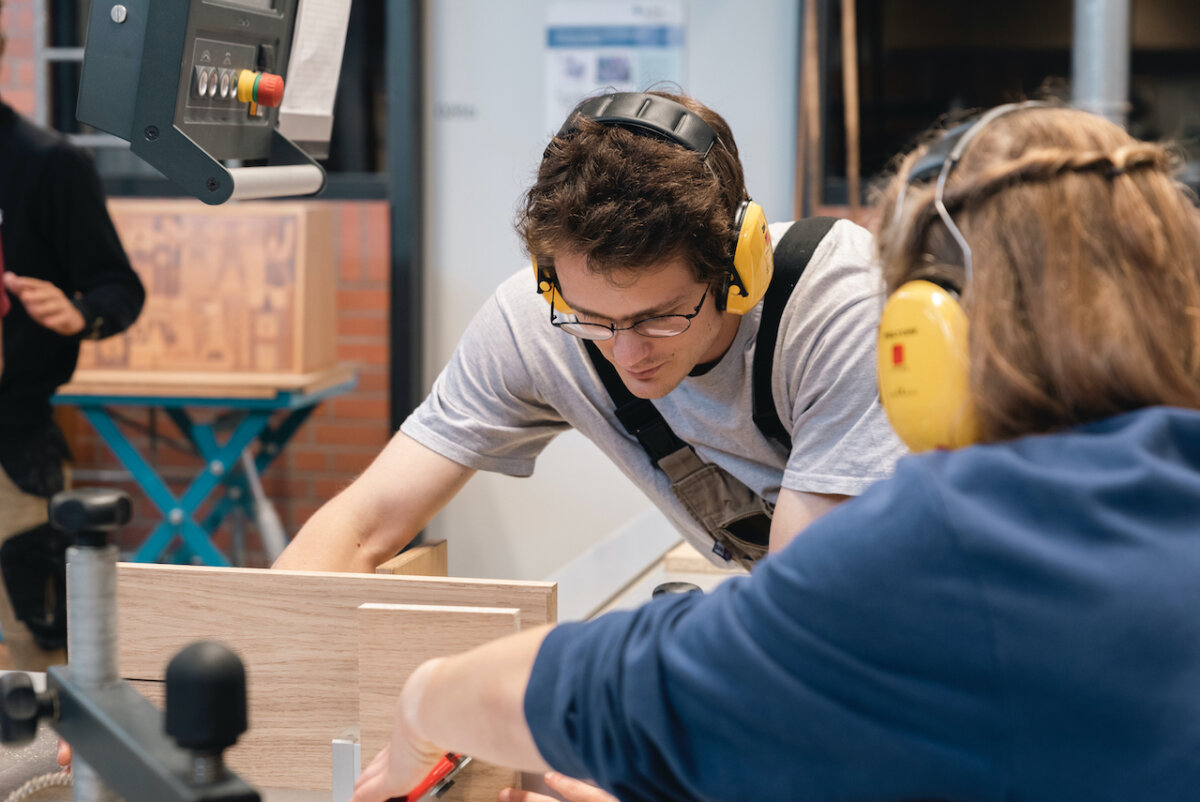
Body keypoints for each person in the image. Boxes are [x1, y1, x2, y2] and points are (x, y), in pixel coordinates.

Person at [348, 102, 1200, 802]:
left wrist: (426, 700)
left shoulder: (952, 543)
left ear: (920, 341)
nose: (630, 347)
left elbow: (679, 680)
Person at [275, 90, 905, 574]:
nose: (627, 353)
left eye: (660, 316)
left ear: (740, 266)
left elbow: (809, 596)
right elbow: (363, 526)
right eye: (593, 319)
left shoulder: (837, 305)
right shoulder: (540, 315)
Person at [0, 2, 146, 671]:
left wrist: (78, 311)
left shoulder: (47, 164)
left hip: (15, 455)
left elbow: (120, 288)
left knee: (32, 672)